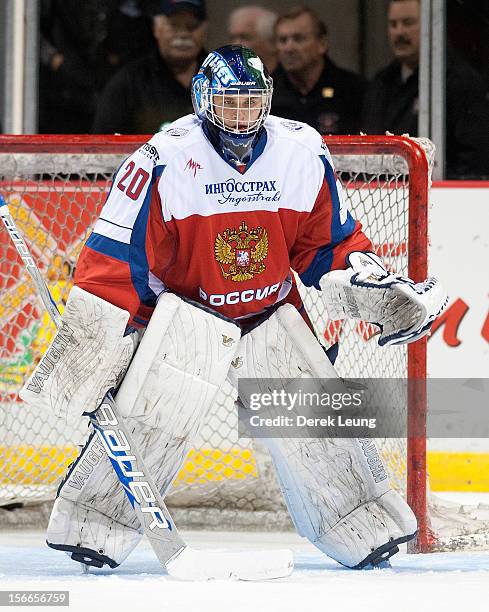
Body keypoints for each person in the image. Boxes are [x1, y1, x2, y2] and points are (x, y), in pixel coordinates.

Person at [25, 45, 447, 573]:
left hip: (271, 312)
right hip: (188, 317)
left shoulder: (300, 150)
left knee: (315, 423)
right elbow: (117, 260)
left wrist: (367, 286)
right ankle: (95, 520)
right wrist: (99, 346)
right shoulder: (165, 158)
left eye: (252, 102)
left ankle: (356, 518)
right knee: (152, 418)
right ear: (204, 100)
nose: (242, 115)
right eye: (230, 102)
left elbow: (326, 244)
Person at [362, 0, 489, 178]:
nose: (399, 32)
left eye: (408, 23)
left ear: (431, 26)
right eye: (393, 24)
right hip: (384, 197)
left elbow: (473, 159)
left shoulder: (459, 81)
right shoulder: (381, 82)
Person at [92, 0, 207, 133]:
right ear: (156, 28)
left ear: (205, 29)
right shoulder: (129, 83)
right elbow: (103, 147)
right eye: (173, 25)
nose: (183, 35)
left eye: (191, 26)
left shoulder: (221, 79)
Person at [39, 0, 154, 133]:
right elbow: (29, 26)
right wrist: (54, 59)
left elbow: (144, 25)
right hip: (66, 88)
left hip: (112, 83)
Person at [271, 6, 366, 134]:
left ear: (322, 44)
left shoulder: (353, 91)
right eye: (283, 40)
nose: (289, 48)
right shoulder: (267, 93)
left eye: (298, 39)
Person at [228, 5, 278, 73]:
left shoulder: (291, 80)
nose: (235, 45)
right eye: (232, 38)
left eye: (244, 37)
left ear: (271, 42)